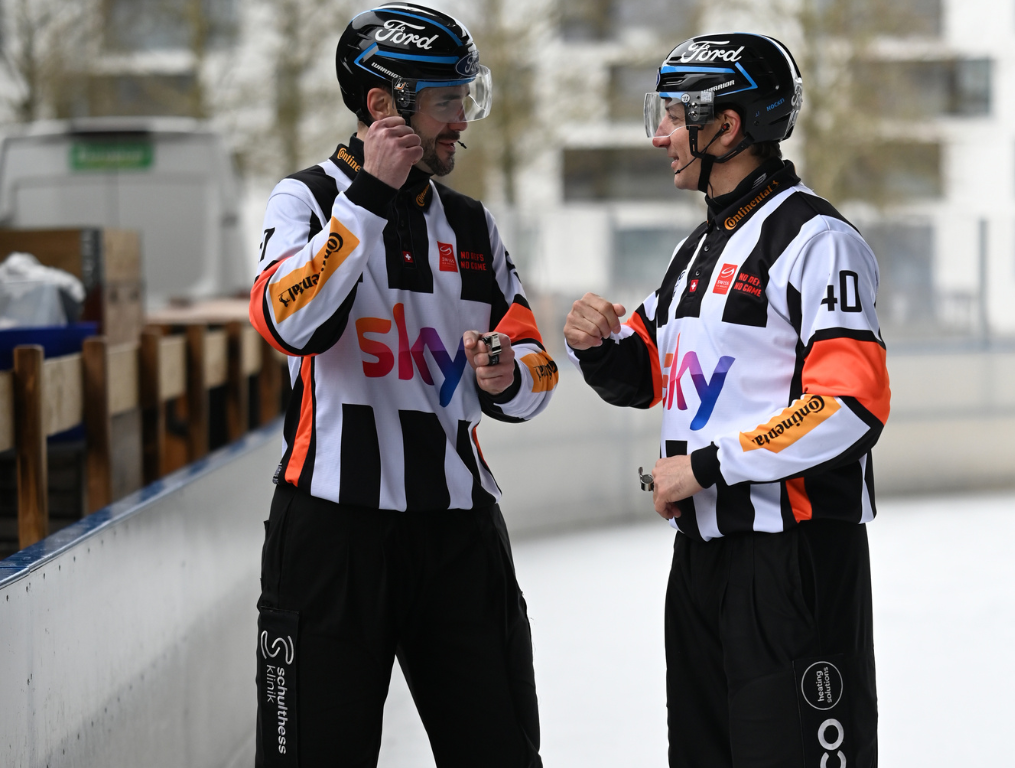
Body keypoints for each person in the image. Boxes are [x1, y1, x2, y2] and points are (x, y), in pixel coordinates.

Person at [563, 34, 888, 768]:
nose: (659, 136)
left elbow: (850, 405)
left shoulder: (816, 239)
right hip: (704, 563)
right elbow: (646, 372)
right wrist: (597, 344)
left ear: (727, 126)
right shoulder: (699, 248)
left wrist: (707, 467)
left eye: (674, 117)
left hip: (795, 563)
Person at [248, 5, 557, 766]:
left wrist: (509, 371)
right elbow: (287, 321)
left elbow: (538, 365)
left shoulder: (473, 224)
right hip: (331, 537)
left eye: (466, 98)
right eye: (448, 100)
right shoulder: (305, 201)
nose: (462, 120)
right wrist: (367, 203)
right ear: (384, 106)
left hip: (459, 537)